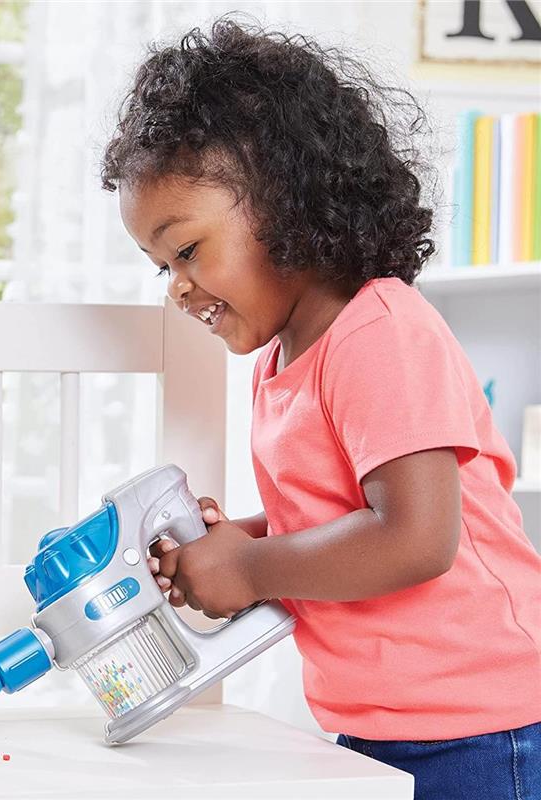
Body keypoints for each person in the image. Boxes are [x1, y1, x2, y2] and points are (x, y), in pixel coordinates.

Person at [100, 16, 541, 800]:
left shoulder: (379, 331)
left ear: (286, 203)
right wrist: (238, 542)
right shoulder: (283, 361)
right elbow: (341, 519)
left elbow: (415, 537)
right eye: (162, 266)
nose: (176, 287)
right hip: (386, 726)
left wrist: (249, 568)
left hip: (482, 727)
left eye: (188, 251)